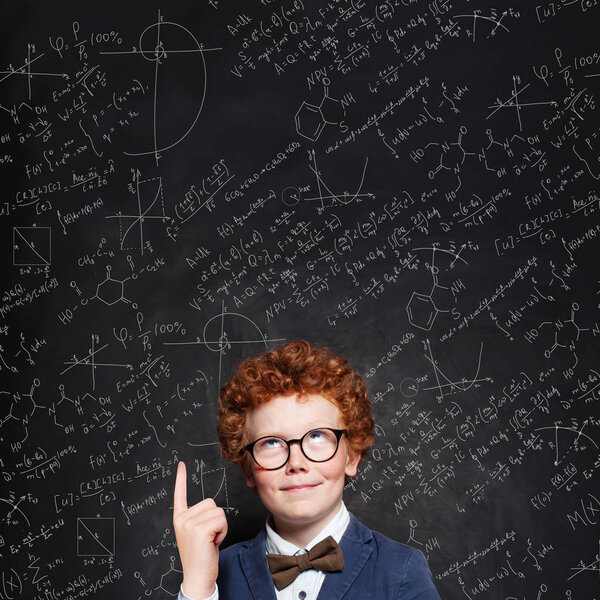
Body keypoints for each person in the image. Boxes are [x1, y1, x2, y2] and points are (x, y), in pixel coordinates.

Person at [173, 340, 441, 600]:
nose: (296, 463)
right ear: (248, 469)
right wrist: (197, 589)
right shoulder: (213, 575)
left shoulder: (402, 570)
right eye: (272, 442)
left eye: (316, 436)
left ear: (352, 457)